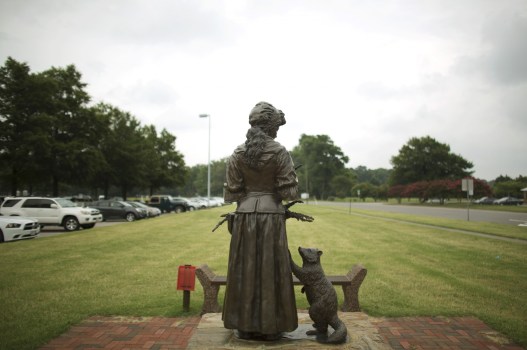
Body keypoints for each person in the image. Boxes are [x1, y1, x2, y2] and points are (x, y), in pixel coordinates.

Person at [222, 101, 299, 340]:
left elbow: (233, 192)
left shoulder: (237, 153)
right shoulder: (279, 152)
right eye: (276, 126)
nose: (278, 131)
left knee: (244, 269)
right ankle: (271, 326)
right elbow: (289, 192)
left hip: (245, 217)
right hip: (271, 217)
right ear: (269, 126)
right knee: (271, 268)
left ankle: (244, 325)